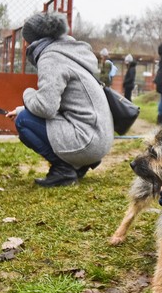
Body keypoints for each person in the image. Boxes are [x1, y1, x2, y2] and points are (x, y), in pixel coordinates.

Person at [6, 12, 113, 187]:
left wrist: (27, 93)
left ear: (33, 40)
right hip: (100, 137)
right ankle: (78, 166)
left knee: (24, 121)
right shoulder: (70, 52)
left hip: (88, 141)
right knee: (23, 114)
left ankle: (63, 170)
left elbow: (46, 108)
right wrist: (20, 108)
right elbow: (62, 103)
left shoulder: (51, 57)